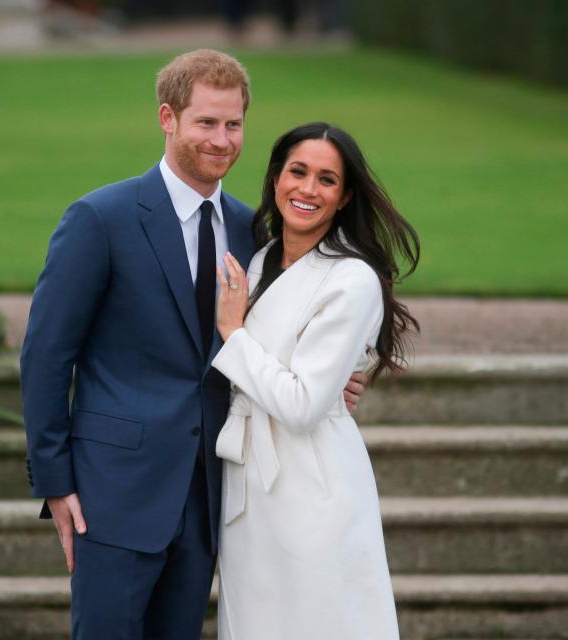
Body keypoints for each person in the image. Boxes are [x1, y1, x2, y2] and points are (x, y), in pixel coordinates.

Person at [19, 51, 366, 639]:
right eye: (206, 122)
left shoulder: (253, 230)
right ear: (168, 118)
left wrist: (332, 379)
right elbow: (47, 355)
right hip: (114, 493)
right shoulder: (101, 218)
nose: (222, 139)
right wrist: (56, 483)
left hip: (211, 497)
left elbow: (277, 336)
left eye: (233, 125)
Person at [211, 122, 420, 639]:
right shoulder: (259, 261)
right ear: (276, 177)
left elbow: (304, 404)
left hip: (312, 483)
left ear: (345, 196)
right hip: (247, 483)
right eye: (297, 172)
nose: (307, 189)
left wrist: (233, 334)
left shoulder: (352, 279)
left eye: (327, 180)